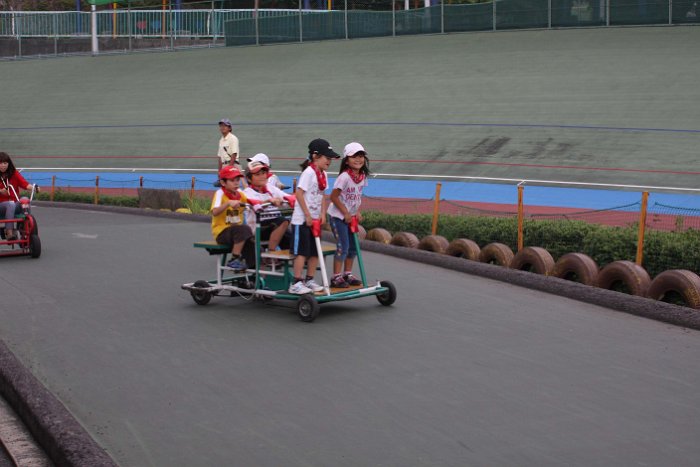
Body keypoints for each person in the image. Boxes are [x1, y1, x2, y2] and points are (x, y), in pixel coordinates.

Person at [288, 138, 340, 295]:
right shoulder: (309, 172)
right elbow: (299, 194)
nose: (329, 161)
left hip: (315, 220)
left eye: (330, 158)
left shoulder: (323, 174)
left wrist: (322, 213)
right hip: (301, 220)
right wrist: (307, 215)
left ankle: (309, 279)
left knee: (315, 251)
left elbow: (322, 194)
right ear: (315, 156)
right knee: (301, 251)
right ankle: (296, 282)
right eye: (327, 157)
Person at [328, 142, 370, 288]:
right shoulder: (344, 177)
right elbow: (333, 197)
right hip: (338, 217)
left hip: (350, 217)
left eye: (361, 156)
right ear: (347, 160)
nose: (358, 159)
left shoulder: (362, 176)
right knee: (343, 245)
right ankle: (336, 277)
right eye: (354, 156)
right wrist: (345, 212)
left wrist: (356, 211)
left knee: (353, 246)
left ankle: (347, 273)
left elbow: (357, 196)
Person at [242, 160, 292, 264]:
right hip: (257, 229)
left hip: (274, 227)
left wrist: (289, 200)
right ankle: (271, 253)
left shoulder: (271, 188)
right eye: (257, 174)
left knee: (293, 238)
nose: (262, 176)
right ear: (249, 178)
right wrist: (268, 201)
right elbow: (252, 203)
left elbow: (288, 197)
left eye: (263, 173)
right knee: (282, 221)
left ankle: (296, 263)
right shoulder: (247, 193)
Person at [210, 165, 254, 272]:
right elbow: (214, 212)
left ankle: (254, 274)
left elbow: (252, 202)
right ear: (223, 182)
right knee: (244, 229)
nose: (236, 183)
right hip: (221, 232)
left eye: (237, 180)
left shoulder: (241, 194)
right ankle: (234, 259)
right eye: (232, 180)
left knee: (254, 244)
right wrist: (228, 203)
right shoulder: (220, 193)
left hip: (237, 233)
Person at [0, 152, 35, 241]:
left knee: (25, 199)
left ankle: (26, 227)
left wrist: (34, 188)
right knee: (10, 204)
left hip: (14, 204)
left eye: (5, 163)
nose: (3, 165)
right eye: (0, 163)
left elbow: (25, 184)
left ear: (8, 164)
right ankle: (9, 232)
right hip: (1, 206)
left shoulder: (14, 173)